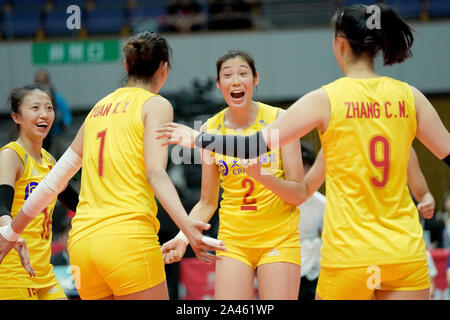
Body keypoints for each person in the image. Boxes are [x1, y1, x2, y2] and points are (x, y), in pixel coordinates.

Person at [156, 4, 450, 300]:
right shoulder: (410, 96)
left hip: (349, 252)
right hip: (403, 249)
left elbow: (252, 146)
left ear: (340, 43)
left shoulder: (326, 99)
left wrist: (198, 139)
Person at [0, 32, 224, 300]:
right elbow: (155, 172)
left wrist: (11, 231)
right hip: (127, 241)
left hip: (82, 245)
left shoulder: (97, 109)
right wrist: (187, 228)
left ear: (127, 66)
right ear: (164, 68)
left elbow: (52, 182)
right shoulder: (156, 104)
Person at [162, 50, 307, 300]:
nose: (236, 81)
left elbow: (297, 193)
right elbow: (207, 202)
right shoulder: (210, 128)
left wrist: (264, 177)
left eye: (243, 73)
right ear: (219, 84)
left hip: (278, 239)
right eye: (227, 75)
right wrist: (182, 237)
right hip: (234, 241)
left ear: (256, 79)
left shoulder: (279, 120)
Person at [0, 85, 79, 300]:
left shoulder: (49, 161)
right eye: (35, 108)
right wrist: (10, 233)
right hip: (12, 272)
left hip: (44, 273)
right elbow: (1, 206)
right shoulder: (11, 155)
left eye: (49, 108)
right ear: (16, 116)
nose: (44, 114)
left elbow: (78, 205)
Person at [296, 142, 325, 301]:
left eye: (307, 167)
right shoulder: (277, 198)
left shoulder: (322, 203)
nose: (303, 172)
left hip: (313, 269)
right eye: (300, 166)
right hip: (283, 261)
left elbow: (329, 238)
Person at [34, 69, 73, 155]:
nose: (41, 86)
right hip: (37, 134)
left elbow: (66, 114)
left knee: (63, 152)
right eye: (38, 83)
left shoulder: (56, 97)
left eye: (44, 82)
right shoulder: (31, 98)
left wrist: (65, 124)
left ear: (48, 82)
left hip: (55, 132)